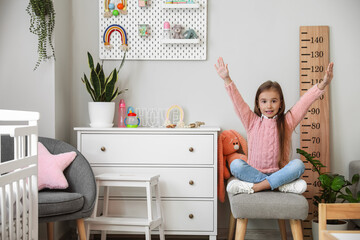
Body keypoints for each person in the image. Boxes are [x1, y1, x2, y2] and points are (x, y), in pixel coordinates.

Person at [214, 57, 334, 194]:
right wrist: (227, 79)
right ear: (258, 104)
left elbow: (304, 103)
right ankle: (279, 186)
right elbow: (238, 102)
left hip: (279, 172)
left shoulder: (287, 121)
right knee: (236, 164)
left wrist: (323, 84)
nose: (269, 106)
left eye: (274, 101)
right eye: (264, 101)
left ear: (281, 103)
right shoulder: (251, 121)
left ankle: (257, 187)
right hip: (254, 173)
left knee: (299, 165)